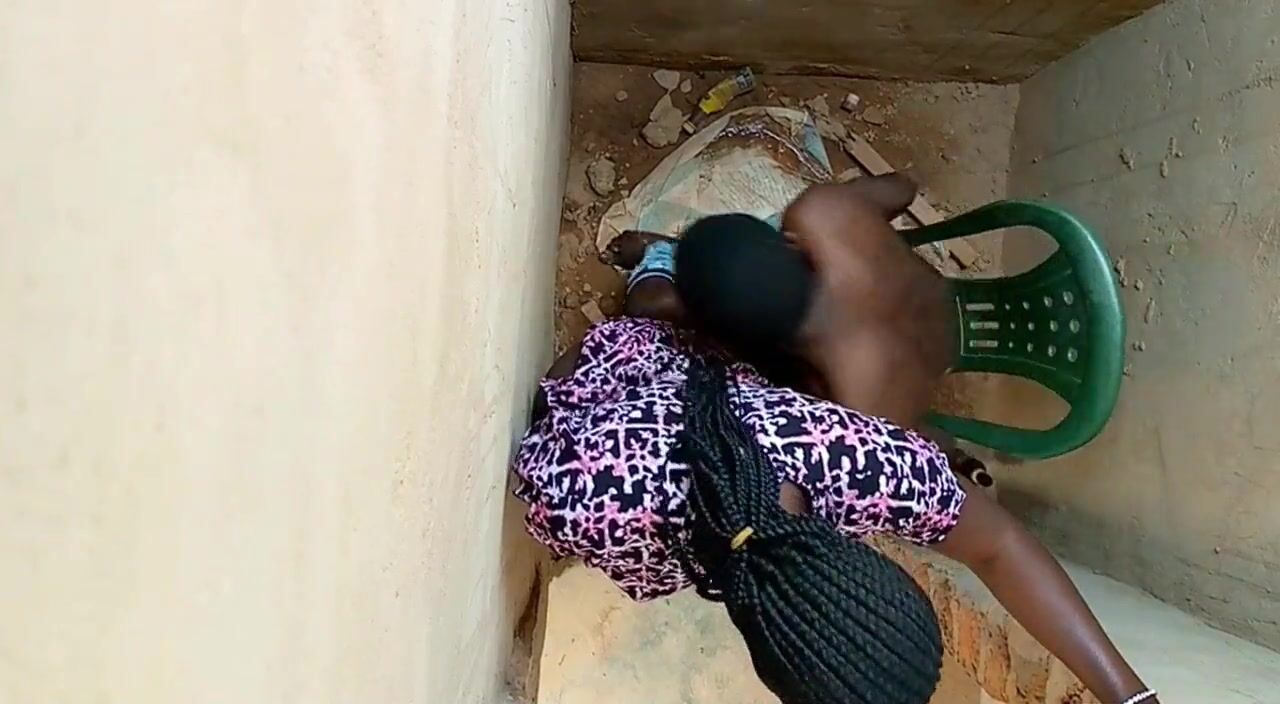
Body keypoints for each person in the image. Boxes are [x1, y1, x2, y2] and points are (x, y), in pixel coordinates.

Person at [515, 177, 1160, 704]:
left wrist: (1131, 696)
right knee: (662, 309)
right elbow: (903, 189)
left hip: (697, 382)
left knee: (659, 305)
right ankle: (664, 261)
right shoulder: (848, 443)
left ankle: (663, 259)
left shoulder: (864, 442)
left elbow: (998, 546)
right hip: (888, 340)